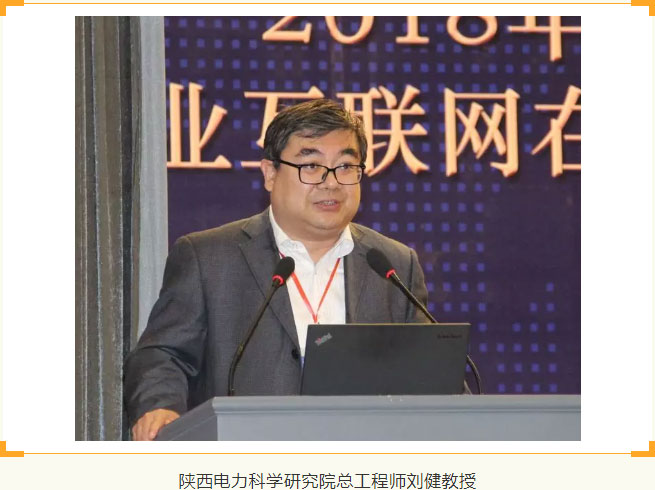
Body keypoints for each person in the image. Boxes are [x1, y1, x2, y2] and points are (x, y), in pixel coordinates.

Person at [124, 99, 429, 440]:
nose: (331, 183)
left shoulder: (393, 264)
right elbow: (164, 354)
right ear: (270, 173)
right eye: (311, 165)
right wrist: (160, 405)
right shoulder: (208, 258)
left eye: (345, 166)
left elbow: (429, 372)